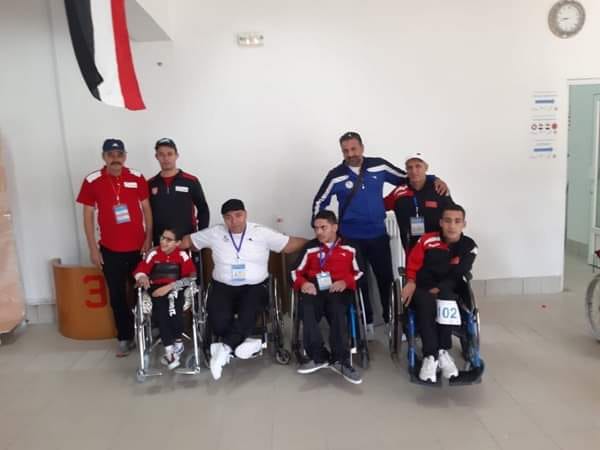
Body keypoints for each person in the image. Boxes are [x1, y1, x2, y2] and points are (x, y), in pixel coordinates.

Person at [312, 131, 448, 339]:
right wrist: (322, 229)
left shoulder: (379, 166)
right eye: (346, 151)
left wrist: (434, 179)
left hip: (377, 235)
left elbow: (408, 177)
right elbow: (319, 201)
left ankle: (390, 320)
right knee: (360, 281)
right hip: (350, 238)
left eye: (354, 149)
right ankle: (366, 322)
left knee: (385, 279)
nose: (350, 154)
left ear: (362, 148)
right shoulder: (336, 175)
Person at [181, 199, 307, 380]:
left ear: (245, 214)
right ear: (224, 219)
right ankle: (247, 344)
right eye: (228, 217)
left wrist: (316, 242)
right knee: (218, 320)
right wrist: (165, 246)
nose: (234, 221)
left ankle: (224, 349)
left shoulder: (260, 232)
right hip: (222, 286)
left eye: (238, 215)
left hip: (254, 286)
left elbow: (289, 245)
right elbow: (188, 241)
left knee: (249, 311)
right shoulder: (215, 233)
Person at [76, 138, 152, 357]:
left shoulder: (137, 177)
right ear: (104, 157)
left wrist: (148, 239)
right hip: (110, 250)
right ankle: (125, 337)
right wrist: (93, 249)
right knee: (118, 296)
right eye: (111, 155)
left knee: (143, 293)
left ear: (125, 156)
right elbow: (88, 216)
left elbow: (147, 210)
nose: (115, 158)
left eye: (119, 154)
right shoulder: (92, 180)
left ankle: (148, 333)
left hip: (138, 249)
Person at [400, 204, 478, 383]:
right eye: (448, 221)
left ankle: (442, 351)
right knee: (426, 302)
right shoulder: (426, 240)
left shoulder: (469, 246)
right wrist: (410, 281)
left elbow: (460, 272)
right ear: (441, 222)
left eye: (457, 221)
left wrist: (441, 289)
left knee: (446, 298)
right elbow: (413, 264)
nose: (452, 225)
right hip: (423, 287)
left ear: (464, 224)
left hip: (450, 288)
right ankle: (431, 355)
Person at [291, 210, 363, 384]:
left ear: (335, 227)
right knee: (306, 307)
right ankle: (318, 356)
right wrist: (303, 283)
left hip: (339, 288)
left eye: (323, 227)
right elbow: (294, 271)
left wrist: (345, 282)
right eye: (316, 228)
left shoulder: (350, 247)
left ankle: (340, 360)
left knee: (338, 310)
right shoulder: (310, 247)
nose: (319, 232)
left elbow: (360, 272)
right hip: (315, 288)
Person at [133, 228, 196, 369]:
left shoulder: (182, 255)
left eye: (169, 240)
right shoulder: (153, 253)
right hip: (156, 288)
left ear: (177, 243)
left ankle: (178, 343)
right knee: (161, 311)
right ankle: (169, 350)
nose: (163, 242)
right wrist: (142, 276)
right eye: (162, 238)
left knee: (174, 309)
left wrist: (170, 287)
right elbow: (141, 269)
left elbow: (191, 276)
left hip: (175, 287)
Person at [384, 152, 454, 253]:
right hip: (411, 249)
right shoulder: (399, 192)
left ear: (426, 168)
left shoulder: (439, 189)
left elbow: (453, 215)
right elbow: (378, 207)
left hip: (438, 247)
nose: (414, 171)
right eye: (410, 167)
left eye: (418, 166)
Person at [148, 138, 210, 246]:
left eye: (170, 154)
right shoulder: (150, 184)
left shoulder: (191, 181)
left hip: (186, 242)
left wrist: (199, 238)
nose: (166, 158)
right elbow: (147, 214)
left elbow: (203, 209)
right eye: (161, 154)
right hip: (160, 243)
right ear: (156, 157)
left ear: (176, 155)